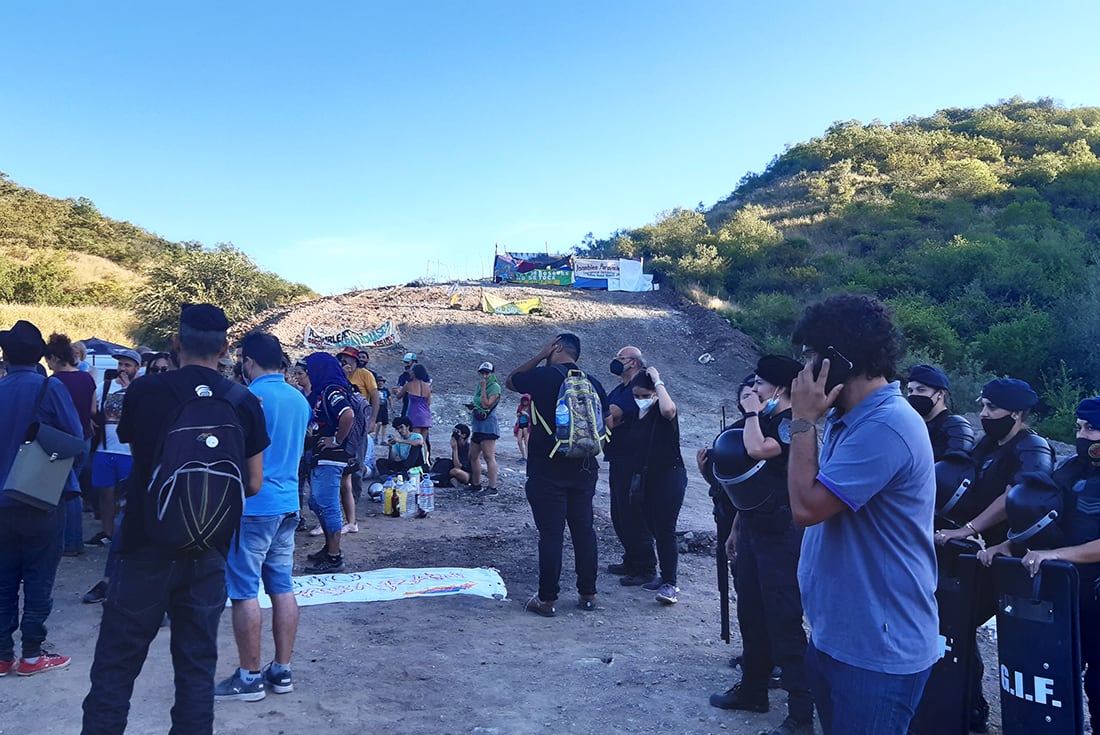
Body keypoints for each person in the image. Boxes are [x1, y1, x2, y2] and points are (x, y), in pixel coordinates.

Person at [81, 304, 269, 735]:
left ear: (176, 342)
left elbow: (131, 447)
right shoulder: (243, 401)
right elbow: (253, 483)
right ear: (225, 348)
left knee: (115, 667)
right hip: (209, 552)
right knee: (196, 670)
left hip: (144, 546)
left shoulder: (146, 391)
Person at [787, 294, 938, 735]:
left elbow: (806, 507)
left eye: (810, 357)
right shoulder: (847, 420)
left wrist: (801, 420)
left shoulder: (885, 426)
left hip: (878, 652)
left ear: (836, 361)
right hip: (839, 637)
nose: (802, 372)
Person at [933, 377, 1054, 732]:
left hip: (1019, 556)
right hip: (983, 555)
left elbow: (1015, 496)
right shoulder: (987, 445)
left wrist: (967, 529)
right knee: (957, 626)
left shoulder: (1032, 447)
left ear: (1016, 413)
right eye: (983, 406)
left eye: (992, 408)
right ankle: (969, 708)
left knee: (1024, 647)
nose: (984, 414)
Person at [977, 397, 1100, 732]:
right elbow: (1044, 516)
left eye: (1091, 427)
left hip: (1095, 597)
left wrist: (1057, 555)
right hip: (1067, 599)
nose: (1083, 435)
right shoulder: (1070, 469)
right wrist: (1006, 546)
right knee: (1056, 679)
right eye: (1078, 427)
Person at [708, 356, 813, 735]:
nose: (753, 391)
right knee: (751, 613)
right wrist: (736, 528)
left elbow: (758, 451)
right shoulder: (766, 419)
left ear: (780, 389)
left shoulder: (791, 424)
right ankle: (753, 690)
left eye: (760, 385)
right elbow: (752, 486)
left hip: (782, 533)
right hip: (753, 526)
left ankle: (801, 714)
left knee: (784, 620)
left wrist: (752, 413)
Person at [214, 332, 310, 702]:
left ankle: (249, 676)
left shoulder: (248, 398)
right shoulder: (298, 399)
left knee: (243, 592)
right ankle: (281, 670)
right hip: (288, 504)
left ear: (248, 361)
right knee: (282, 587)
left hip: (253, 505)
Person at [0, 320, 82, 676]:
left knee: (3, 580)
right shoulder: (51, 388)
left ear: (5, 356)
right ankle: (32, 653)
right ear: (40, 356)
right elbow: (75, 440)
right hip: (43, 498)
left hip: (1, 503)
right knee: (39, 577)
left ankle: (2, 655)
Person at [507, 333, 607, 617]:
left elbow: (512, 380)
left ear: (557, 347)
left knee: (551, 534)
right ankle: (588, 595)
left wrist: (540, 355)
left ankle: (547, 599)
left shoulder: (545, 376)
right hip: (586, 468)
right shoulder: (593, 382)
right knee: (584, 531)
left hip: (547, 468)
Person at [625, 366, 686, 605]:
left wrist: (658, 381)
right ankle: (663, 577)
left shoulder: (662, 412)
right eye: (636, 396)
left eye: (644, 396)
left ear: (654, 394)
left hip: (669, 476)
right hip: (647, 479)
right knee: (653, 528)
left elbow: (669, 409)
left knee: (666, 529)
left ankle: (670, 582)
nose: (640, 400)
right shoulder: (637, 416)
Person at [603, 346, 656, 586]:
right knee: (619, 511)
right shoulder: (620, 388)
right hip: (618, 456)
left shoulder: (638, 389)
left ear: (633, 363)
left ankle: (645, 567)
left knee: (633, 513)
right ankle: (631, 560)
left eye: (620, 358)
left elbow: (611, 417)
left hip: (635, 459)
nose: (615, 362)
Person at [44, 332, 98, 557]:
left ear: (56, 358)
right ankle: (73, 540)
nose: (47, 365)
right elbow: (94, 410)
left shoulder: (54, 381)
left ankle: (69, 540)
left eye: (48, 360)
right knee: (74, 489)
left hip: (61, 441)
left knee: (65, 492)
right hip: (84, 439)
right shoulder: (87, 378)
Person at [301, 352, 355, 574]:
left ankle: (334, 556)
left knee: (327, 502)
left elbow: (348, 415)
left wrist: (336, 440)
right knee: (317, 501)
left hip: (331, 457)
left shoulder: (332, 390)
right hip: (321, 455)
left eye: (309, 369)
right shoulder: (322, 391)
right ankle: (329, 547)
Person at [87, 348, 141, 547]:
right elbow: (93, 407)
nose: (123, 369)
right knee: (105, 493)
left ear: (137, 367)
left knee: (128, 496)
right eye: (120, 364)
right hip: (105, 448)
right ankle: (107, 532)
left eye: (127, 365)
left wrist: (128, 389)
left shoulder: (140, 388)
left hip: (128, 451)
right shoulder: (106, 385)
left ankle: (126, 533)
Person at [905, 364, 975, 461]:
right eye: (910, 390)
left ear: (940, 394)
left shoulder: (957, 428)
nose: (914, 395)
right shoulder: (910, 426)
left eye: (921, 390)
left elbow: (955, 468)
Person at [467, 361, 501, 497]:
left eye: (487, 373)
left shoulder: (494, 387)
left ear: (492, 373)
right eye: (482, 373)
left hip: (488, 426)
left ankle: (492, 487)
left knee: (488, 456)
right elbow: (478, 403)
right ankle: (476, 484)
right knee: (472, 455)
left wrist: (484, 389)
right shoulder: (480, 387)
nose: (484, 376)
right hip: (478, 425)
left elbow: (486, 404)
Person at [403, 363, 433, 458]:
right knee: (423, 441)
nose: (410, 373)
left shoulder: (409, 385)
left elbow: (399, 396)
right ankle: (425, 461)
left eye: (412, 371)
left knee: (415, 439)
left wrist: (396, 390)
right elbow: (429, 402)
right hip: (426, 415)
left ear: (415, 373)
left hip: (415, 414)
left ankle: (415, 461)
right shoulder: (427, 387)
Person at [514, 393, 532, 460]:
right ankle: (523, 455)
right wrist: (520, 414)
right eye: (523, 400)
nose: (525, 402)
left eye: (526, 401)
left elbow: (532, 418)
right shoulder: (520, 407)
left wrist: (526, 414)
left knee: (526, 442)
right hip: (520, 425)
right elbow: (517, 414)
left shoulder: (530, 408)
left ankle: (527, 456)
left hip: (527, 426)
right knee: (519, 441)